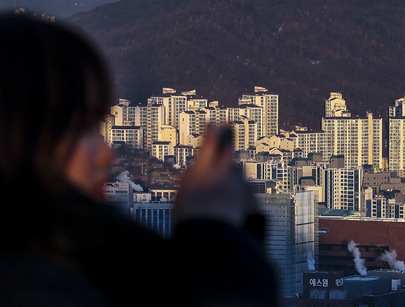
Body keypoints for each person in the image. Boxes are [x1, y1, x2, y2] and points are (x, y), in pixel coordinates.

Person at [0, 12, 279, 307]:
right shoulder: (30, 290)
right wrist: (214, 234)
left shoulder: (81, 266)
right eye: (83, 128)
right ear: (15, 136)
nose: (108, 154)